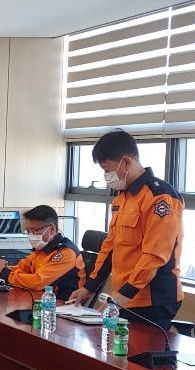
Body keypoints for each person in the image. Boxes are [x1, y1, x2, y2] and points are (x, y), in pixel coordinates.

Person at [67, 129, 184, 331]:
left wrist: (124, 295)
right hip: (125, 296)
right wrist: (88, 287)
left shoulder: (160, 197)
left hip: (152, 299)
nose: (106, 176)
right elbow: (110, 247)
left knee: (136, 350)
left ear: (126, 162)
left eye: (106, 169)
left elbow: (155, 255)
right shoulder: (122, 197)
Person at [0, 205, 86, 301]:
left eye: (35, 231)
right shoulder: (41, 250)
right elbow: (21, 269)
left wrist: (3, 272)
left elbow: (37, 282)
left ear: (51, 229)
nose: (31, 236)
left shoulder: (66, 253)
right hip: (39, 301)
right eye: (28, 232)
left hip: (62, 306)